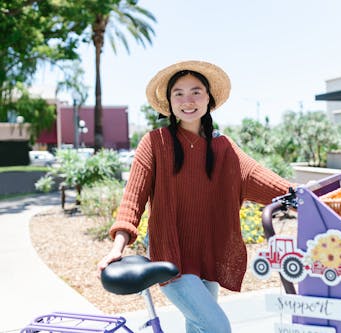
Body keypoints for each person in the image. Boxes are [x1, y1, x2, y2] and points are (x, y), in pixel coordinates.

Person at [97, 60, 293, 333]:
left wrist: (308, 197)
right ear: (169, 101)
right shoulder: (155, 142)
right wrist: (117, 248)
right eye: (178, 93)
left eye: (196, 91)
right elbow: (133, 200)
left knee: (198, 326)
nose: (187, 100)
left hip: (207, 251)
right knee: (216, 327)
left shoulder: (223, 148)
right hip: (170, 252)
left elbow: (262, 179)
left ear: (209, 99)